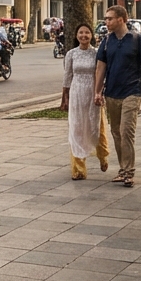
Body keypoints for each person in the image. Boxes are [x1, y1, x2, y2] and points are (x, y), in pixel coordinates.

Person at [93, 5, 141, 188]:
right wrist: (97, 92)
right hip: (112, 93)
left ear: (121, 19)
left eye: (109, 18)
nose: (106, 22)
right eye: (106, 18)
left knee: (126, 131)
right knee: (116, 133)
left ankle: (129, 172)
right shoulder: (106, 42)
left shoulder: (137, 40)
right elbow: (100, 69)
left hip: (132, 92)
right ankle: (123, 169)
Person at [60, 24, 110, 180]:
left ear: (91, 35)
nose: (84, 35)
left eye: (87, 32)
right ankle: (79, 169)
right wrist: (65, 98)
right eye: (80, 32)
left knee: (96, 126)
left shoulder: (97, 53)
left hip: (93, 93)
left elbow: (102, 74)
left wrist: (99, 92)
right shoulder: (71, 54)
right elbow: (67, 76)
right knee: (77, 128)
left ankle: (103, 156)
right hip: (76, 94)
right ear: (76, 35)